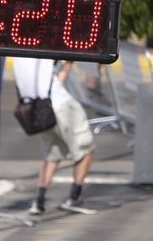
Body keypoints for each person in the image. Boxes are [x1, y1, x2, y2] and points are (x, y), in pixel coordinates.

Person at [12, 56, 97, 215]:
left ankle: (39, 201)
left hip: (38, 109)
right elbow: (58, 79)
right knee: (85, 150)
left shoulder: (18, 54)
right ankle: (74, 197)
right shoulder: (44, 46)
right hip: (61, 104)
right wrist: (68, 64)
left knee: (52, 153)